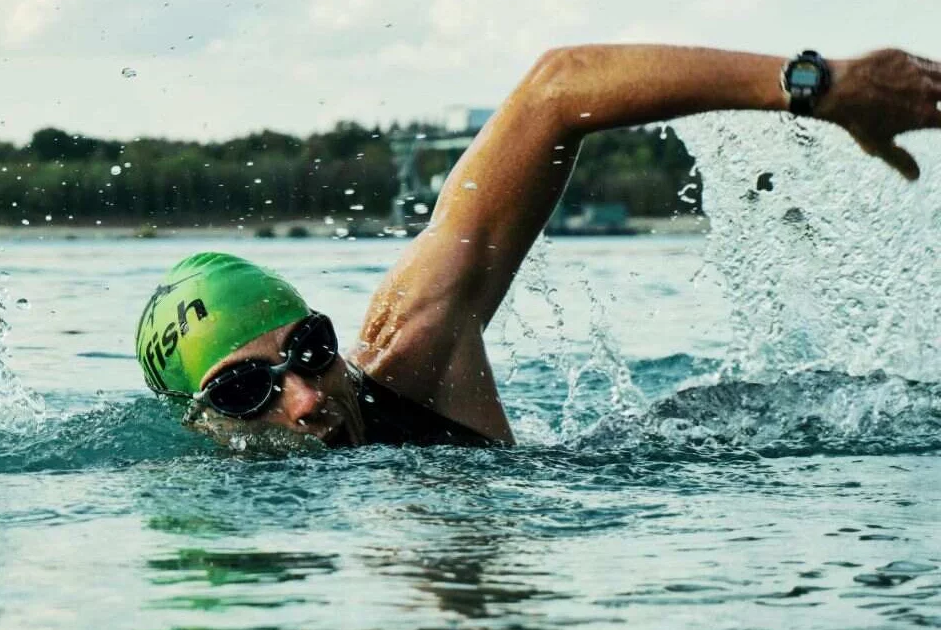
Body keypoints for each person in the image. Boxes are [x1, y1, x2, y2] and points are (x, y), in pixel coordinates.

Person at [137, 45, 941, 448]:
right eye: (245, 390)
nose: (306, 398)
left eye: (310, 350)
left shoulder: (411, 352)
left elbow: (555, 90)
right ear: (200, 423)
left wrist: (818, 86)